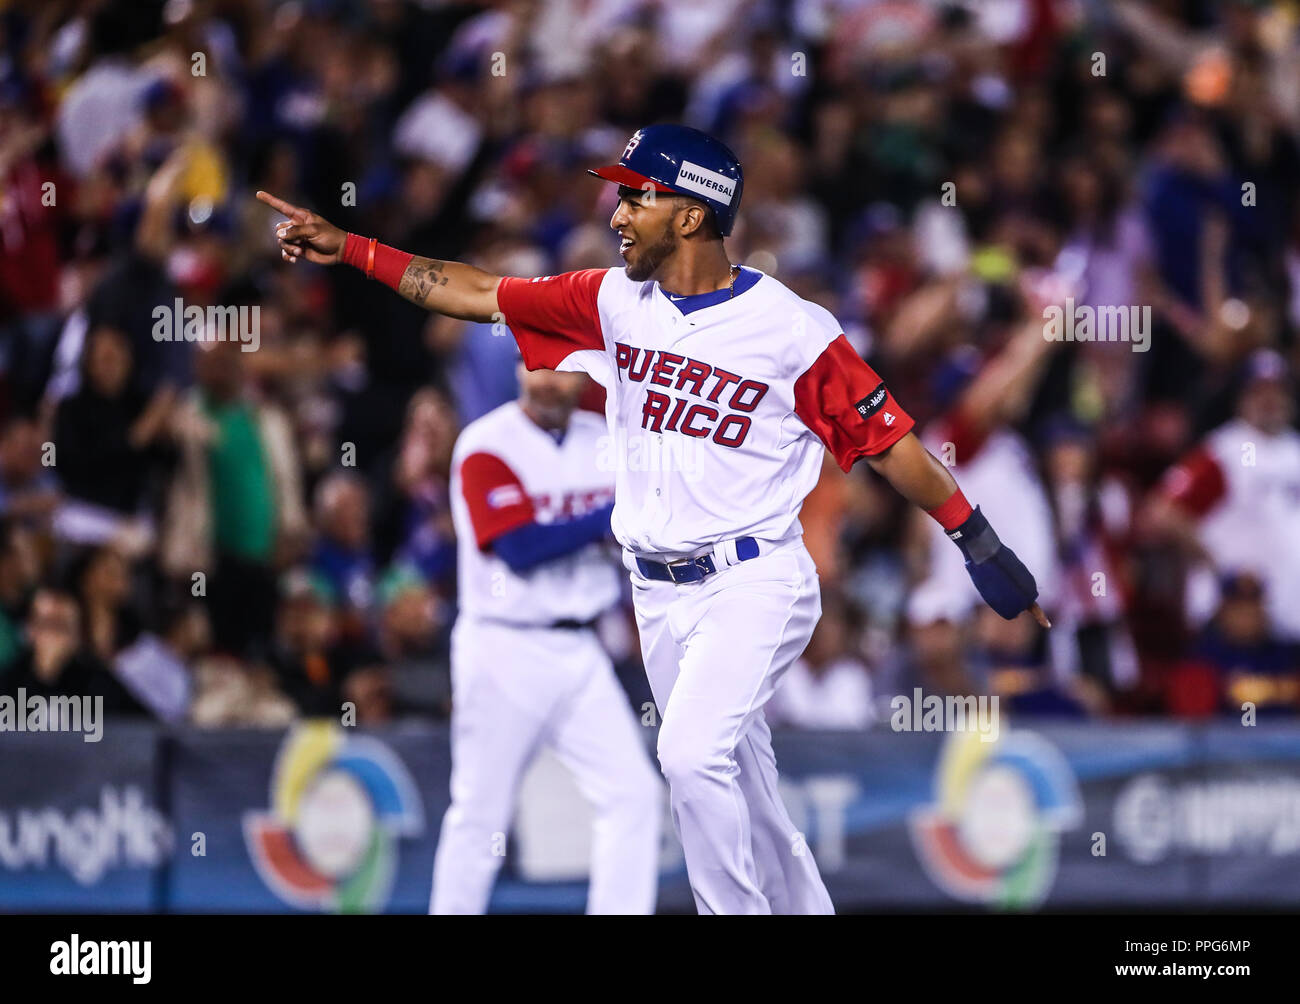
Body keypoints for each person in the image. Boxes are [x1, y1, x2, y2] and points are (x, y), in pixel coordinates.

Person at [258, 123, 1048, 915]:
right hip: (658, 598)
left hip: (755, 578)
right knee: (750, 794)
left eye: (638, 194)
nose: (619, 212)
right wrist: (355, 249)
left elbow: (892, 445)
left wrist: (976, 540)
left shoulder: (792, 330)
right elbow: (475, 291)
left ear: (692, 215)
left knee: (689, 757)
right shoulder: (612, 301)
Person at [429, 363, 661, 915]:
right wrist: (608, 518)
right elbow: (519, 547)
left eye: (562, 373)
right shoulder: (485, 442)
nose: (549, 383)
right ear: (517, 370)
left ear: (583, 379)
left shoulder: (604, 441)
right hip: (503, 646)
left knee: (634, 795)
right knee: (480, 815)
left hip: (581, 647)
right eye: (538, 370)